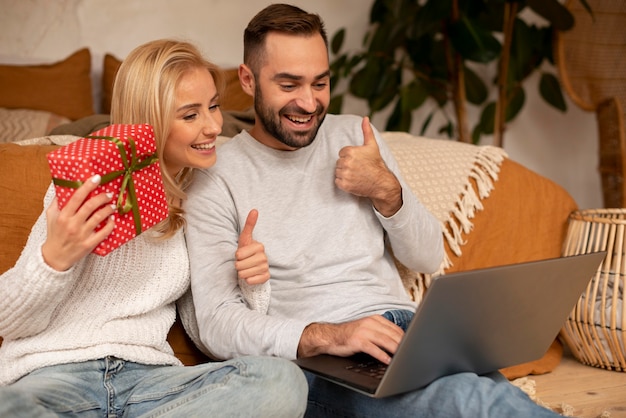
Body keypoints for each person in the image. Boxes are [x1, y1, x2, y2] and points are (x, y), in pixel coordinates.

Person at [184, 4, 562, 418]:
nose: (309, 103)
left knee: (499, 401)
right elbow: (216, 323)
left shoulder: (355, 136)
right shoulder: (216, 176)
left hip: (410, 332)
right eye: (289, 84)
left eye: (320, 83)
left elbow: (427, 256)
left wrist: (387, 190)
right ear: (248, 79)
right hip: (325, 363)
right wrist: (326, 336)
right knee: (476, 404)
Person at [0, 39, 307, 417]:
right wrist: (53, 261)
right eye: (190, 115)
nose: (214, 127)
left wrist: (250, 283)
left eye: (213, 106)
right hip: (56, 378)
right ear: (149, 121)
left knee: (281, 381)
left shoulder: (202, 195)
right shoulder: (88, 181)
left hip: (148, 384)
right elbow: (10, 321)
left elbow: (207, 333)